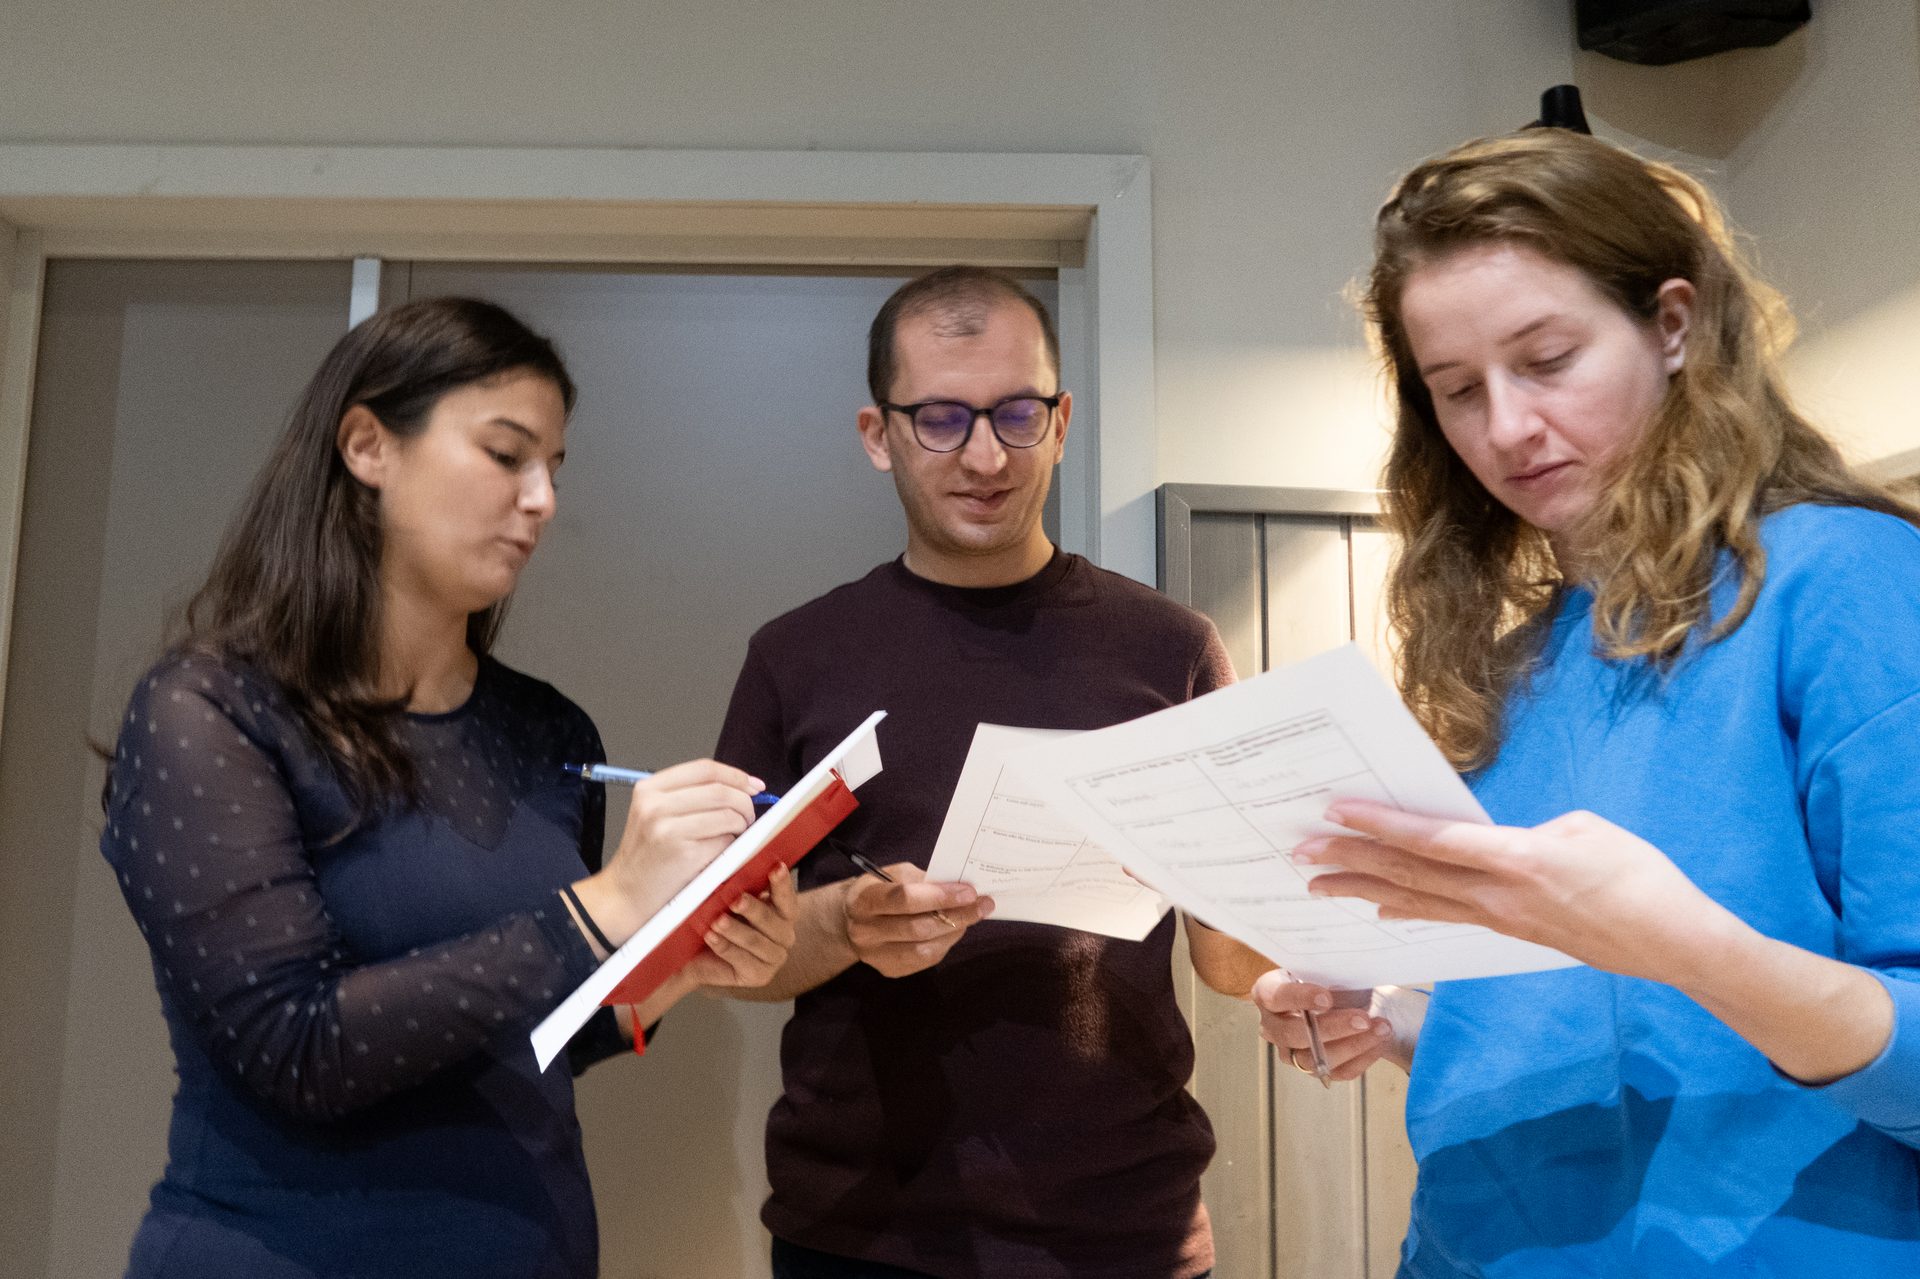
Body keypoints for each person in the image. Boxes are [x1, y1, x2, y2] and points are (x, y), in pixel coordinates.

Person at [1252, 129, 1920, 1275]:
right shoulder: (1513, 668)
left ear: (1672, 325)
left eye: (1548, 359)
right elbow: (1587, 1030)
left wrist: (1686, 945)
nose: (1505, 429)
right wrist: (1406, 1020)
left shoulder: (1849, 586)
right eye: (1456, 391)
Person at [101, 296, 798, 1279]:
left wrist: (663, 975)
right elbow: (296, 1046)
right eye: (507, 455)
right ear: (367, 446)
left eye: (554, 467)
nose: (543, 499)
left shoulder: (548, 731)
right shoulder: (205, 711)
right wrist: (603, 906)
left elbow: (524, 1038)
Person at [714, 266, 1273, 1279]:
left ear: (1060, 422)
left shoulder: (1171, 649)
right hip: (862, 1228)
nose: (985, 454)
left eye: (1017, 413)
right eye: (940, 418)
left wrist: (1307, 915)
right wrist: (845, 923)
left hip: (1126, 1229)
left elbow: (1231, 961)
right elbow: (732, 957)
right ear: (877, 434)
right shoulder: (795, 658)